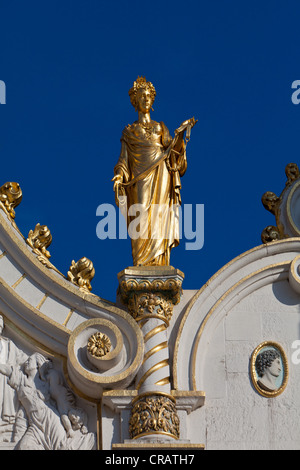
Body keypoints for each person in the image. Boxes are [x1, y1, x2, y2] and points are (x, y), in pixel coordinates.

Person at [113, 76, 196, 266]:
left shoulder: (160, 127)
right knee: (140, 214)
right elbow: (123, 160)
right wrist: (119, 175)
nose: (146, 100)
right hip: (139, 178)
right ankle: (141, 262)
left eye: (149, 97)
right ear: (135, 101)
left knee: (160, 215)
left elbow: (173, 154)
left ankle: (159, 261)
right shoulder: (129, 131)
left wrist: (181, 137)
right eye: (142, 97)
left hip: (162, 173)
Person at [0, 315, 26, 438]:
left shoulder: (9, 344)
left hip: (5, 379)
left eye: (0, 326)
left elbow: (21, 358)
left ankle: (4, 426)